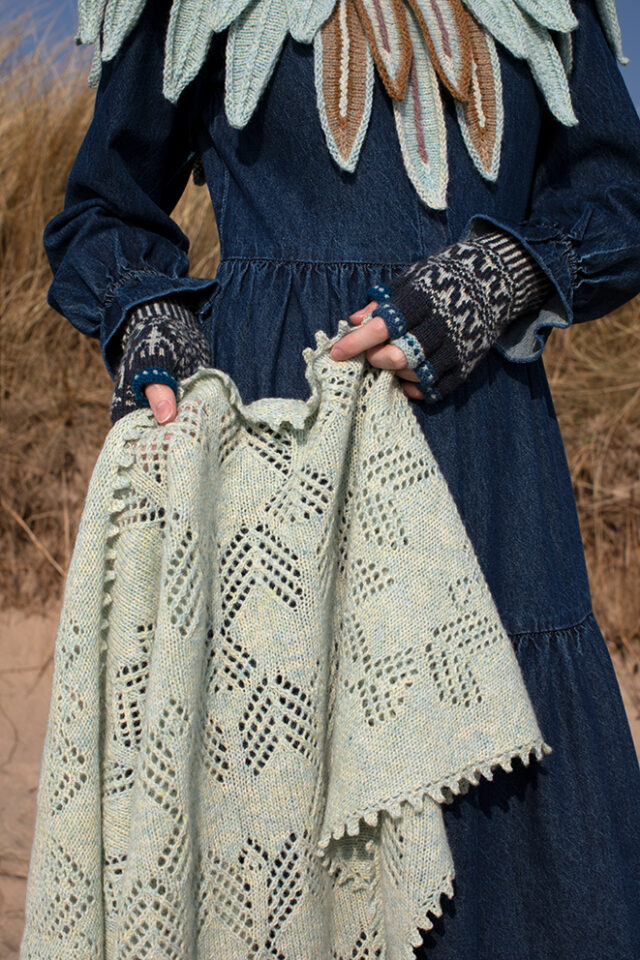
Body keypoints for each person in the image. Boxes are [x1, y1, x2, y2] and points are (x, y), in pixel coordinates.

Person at [27, 0, 640, 957]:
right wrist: (152, 324)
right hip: (283, 457)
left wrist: (502, 275)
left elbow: (617, 204)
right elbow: (105, 209)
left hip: (487, 459)